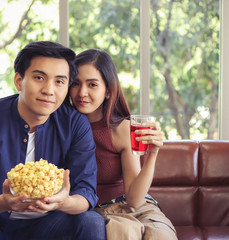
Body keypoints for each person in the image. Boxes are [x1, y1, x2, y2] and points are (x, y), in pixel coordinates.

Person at [0, 41, 106, 240]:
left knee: (91, 222)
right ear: (19, 80)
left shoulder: (75, 123)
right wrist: (4, 202)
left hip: (51, 225)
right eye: (39, 78)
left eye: (59, 82)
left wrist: (62, 202)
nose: (49, 90)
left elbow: (86, 192)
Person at [68, 49, 177, 240]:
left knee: (161, 236)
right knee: (125, 233)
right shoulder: (62, 127)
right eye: (76, 84)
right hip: (99, 213)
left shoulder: (122, 129)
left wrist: (152, 155)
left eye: (92, 84)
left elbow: (134, 200)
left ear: (108, 90)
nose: (82, 93)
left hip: (137, 207)